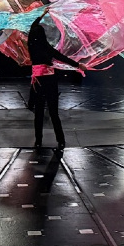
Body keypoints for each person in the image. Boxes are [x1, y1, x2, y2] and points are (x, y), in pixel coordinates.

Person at [25, 17, 81, 149]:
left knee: (39, 112)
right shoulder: (47, 47)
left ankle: (38, 141)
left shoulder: (31, 46)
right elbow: (62, 57)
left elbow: (32, 27)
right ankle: (60, 140)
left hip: (38, 82)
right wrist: (78, 65)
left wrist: (40, 16)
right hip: (50, 81)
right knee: (53, 112)